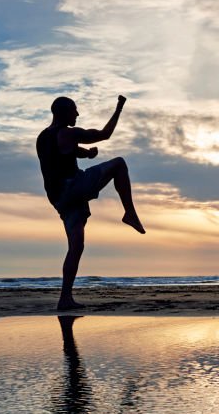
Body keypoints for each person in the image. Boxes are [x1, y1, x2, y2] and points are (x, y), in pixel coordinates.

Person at [36, 94, 145, 311]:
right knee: (119, 164)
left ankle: (65, 298)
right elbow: (104, 134)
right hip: (72, 188)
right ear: (64, 112)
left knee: (76, 246)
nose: (77, 113)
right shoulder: (68, 132)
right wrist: (119, 108)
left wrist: (89, 154)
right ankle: (130, 213)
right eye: (74, 110)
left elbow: (75, 152)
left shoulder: (43, 137)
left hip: (59, 199)